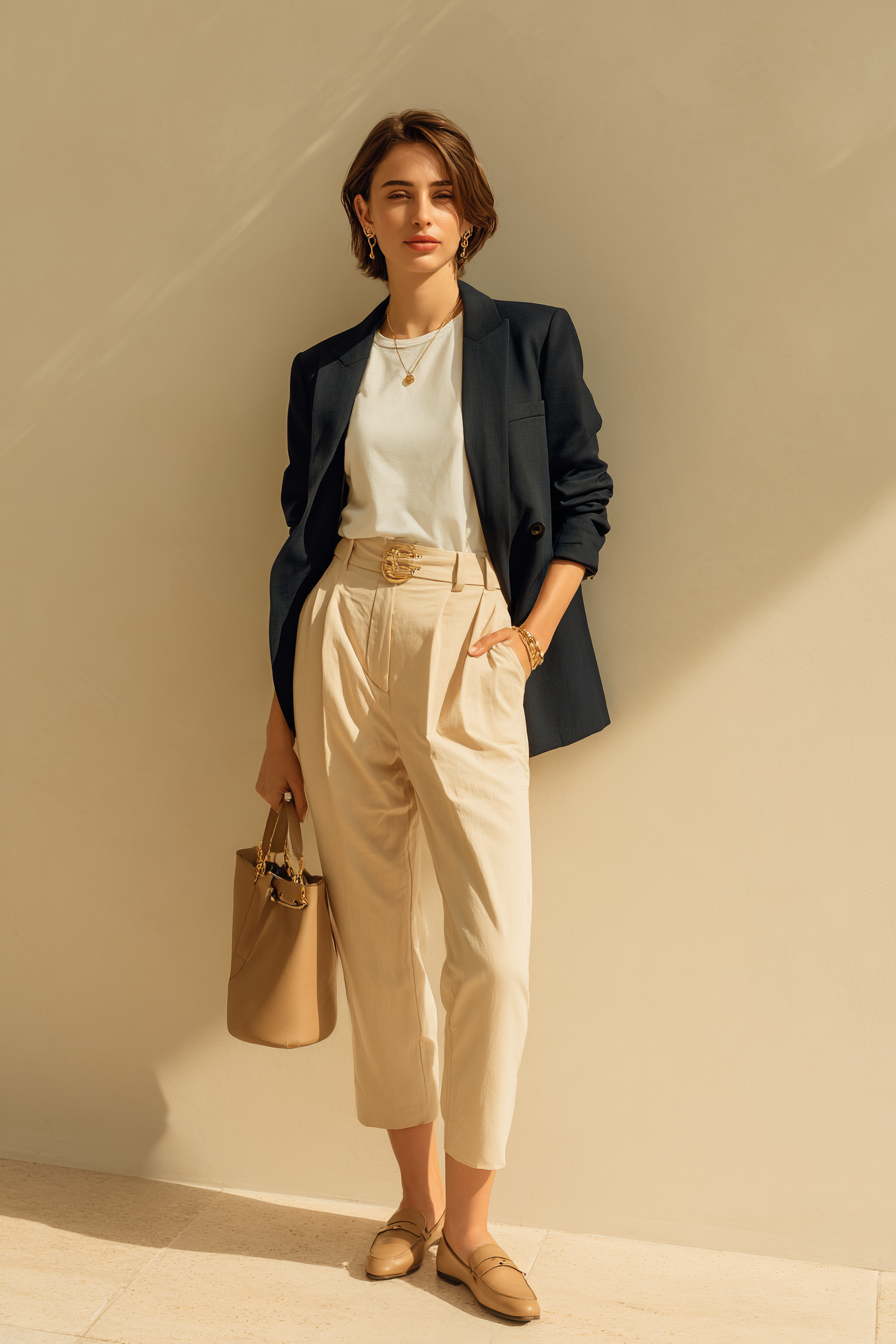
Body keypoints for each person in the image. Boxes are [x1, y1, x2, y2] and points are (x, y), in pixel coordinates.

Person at [256, 108, 612, 1324]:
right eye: (395, 192)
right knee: (380, 941)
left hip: (471, 637)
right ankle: (410, 1204)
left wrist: (525, 640)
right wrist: (279, 723)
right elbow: (301, 545)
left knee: (492, 952)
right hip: (340, 638)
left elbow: (582, 499)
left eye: (440, 192)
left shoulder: (528, 342)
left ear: (469, 210)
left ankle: (472, 1226)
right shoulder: (323, 369)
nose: (419, 212)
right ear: (362, 215)